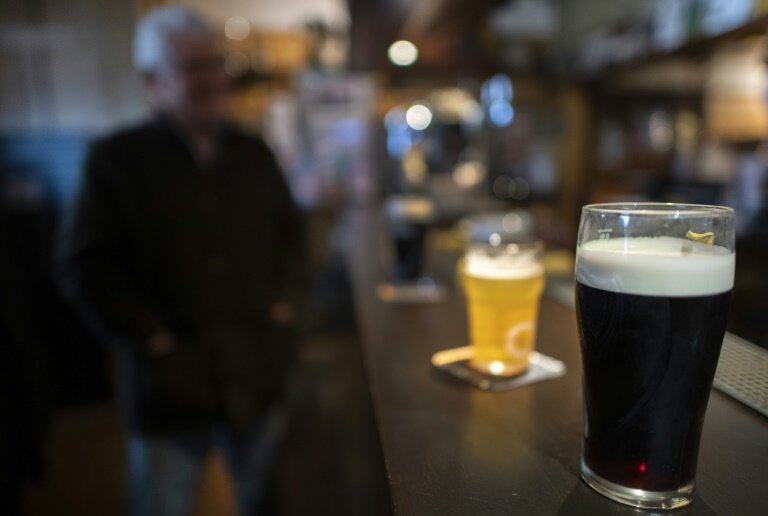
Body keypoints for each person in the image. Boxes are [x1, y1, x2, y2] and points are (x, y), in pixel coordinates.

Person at [57, 6, 304, 515]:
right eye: (194, 68)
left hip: (258, 369)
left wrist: (286, 310)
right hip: (169, 387)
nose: (213, 79)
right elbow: (86, 269)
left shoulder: (252, 151)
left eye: (215, 64)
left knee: (268, 501)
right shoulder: (117, 159)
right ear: (153, 79)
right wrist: (153, 339)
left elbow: (291, 238)